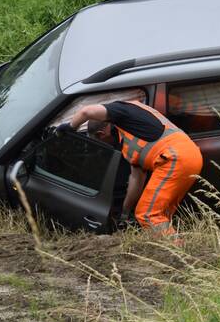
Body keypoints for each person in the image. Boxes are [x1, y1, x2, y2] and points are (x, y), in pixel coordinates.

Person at [60, 100, 203, 239]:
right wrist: (125, 212)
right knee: (160, 214)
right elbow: (136, 179)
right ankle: (172, 245)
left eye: (102, 143)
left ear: (101, 134)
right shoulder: (129, 133)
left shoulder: (120, 111)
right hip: (188, 156)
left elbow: (86, 111)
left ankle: (179, 252)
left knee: (148, 214)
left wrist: (71, 127)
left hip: (175, 160)